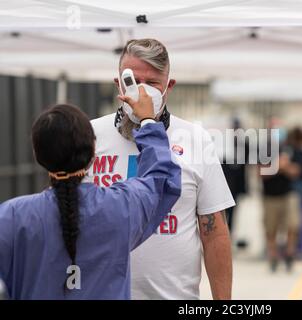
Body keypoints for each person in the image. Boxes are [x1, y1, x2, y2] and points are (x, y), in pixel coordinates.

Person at [85, 38, 235, 300]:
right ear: (118, 83)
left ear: (169, 86)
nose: (142, 93)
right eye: (133, 81)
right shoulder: (88, 135)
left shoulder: (195, 138)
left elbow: (214, 233)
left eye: (153, 83)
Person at [0, 87, 181, 299]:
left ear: (38, 155)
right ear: (93, 150)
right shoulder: (122, 207)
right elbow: (163, 178)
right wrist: (149, 120)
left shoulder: (11, 216)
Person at [260, 121, 301, 272]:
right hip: (270, 196)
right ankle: (273, 256)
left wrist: (285, 167)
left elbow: (297, 171)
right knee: (271, 229)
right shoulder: (264, 150)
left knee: (292, 225)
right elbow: (260, 173)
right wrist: (277, 167)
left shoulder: (291, 149)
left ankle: (290, 253)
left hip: (288, 194)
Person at [221, 118, 249, 235]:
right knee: (222, 212)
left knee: (233, 212)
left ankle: (229, 234)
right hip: (224, 184)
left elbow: (246, 163)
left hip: (236, 185)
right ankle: (223, 233)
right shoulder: (224, 144)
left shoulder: (245, 144)